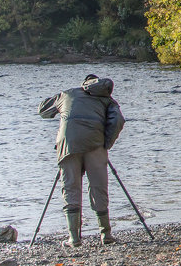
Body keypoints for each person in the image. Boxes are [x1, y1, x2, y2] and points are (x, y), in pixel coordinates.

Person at [39, 74, 125, 247]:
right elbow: (118, 121)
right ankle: (106, 235)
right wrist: (106, 143)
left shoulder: (67, 94)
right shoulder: (108, 100)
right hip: (95, 145)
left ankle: (74, 238)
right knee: (98, 187)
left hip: (68, 144)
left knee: (71, 187)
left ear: (84, 84)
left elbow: (43, 111)